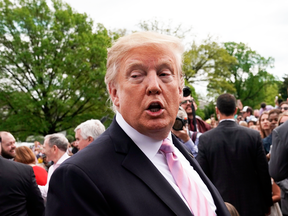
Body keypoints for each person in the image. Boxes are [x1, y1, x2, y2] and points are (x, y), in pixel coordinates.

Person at [46, 31, 230, 216]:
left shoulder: (178, 152)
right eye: (136, 75)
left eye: (164, 73)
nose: (154, 86)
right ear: (114, 92)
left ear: (180, 88)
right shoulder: (77, 177)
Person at [197, 93, 273, 216]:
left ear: (217, 110)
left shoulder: (206, 139)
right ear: (236, 110)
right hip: (252, 205)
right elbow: (263, 173)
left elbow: (203, 177)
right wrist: (267, 203)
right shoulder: (252, 136)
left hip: (221, 205)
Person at [0, 136, 45, 216]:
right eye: (9, 144)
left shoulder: (25, 170)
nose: (14, 146)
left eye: (14, 142)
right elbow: (37, 207)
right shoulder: (24, 171)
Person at [38, 133, 70, 202]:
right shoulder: (52, 168)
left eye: (44, 148)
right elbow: (48, 191)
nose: (42, 152)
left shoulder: (70, 167)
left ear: (54, 149)